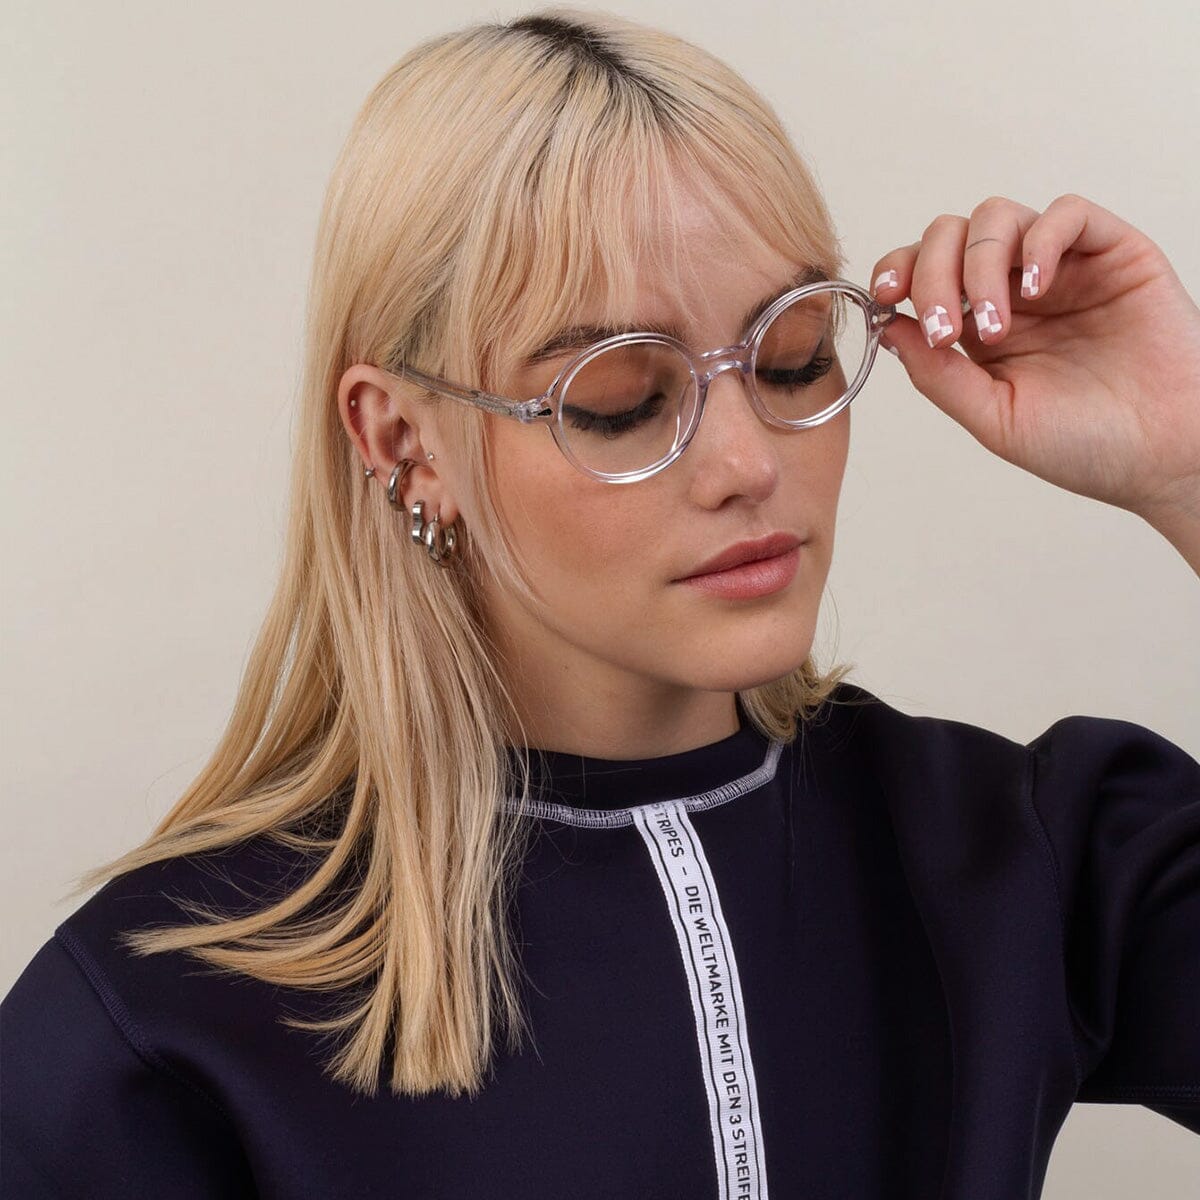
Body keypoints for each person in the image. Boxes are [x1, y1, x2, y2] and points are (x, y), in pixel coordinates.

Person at [2, 8, 1197, 1199]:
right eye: (620, 398)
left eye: (791, 356)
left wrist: (1187, 460)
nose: (747, 463)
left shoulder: (1018, 854)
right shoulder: (157, 1031)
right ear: (404, 442)